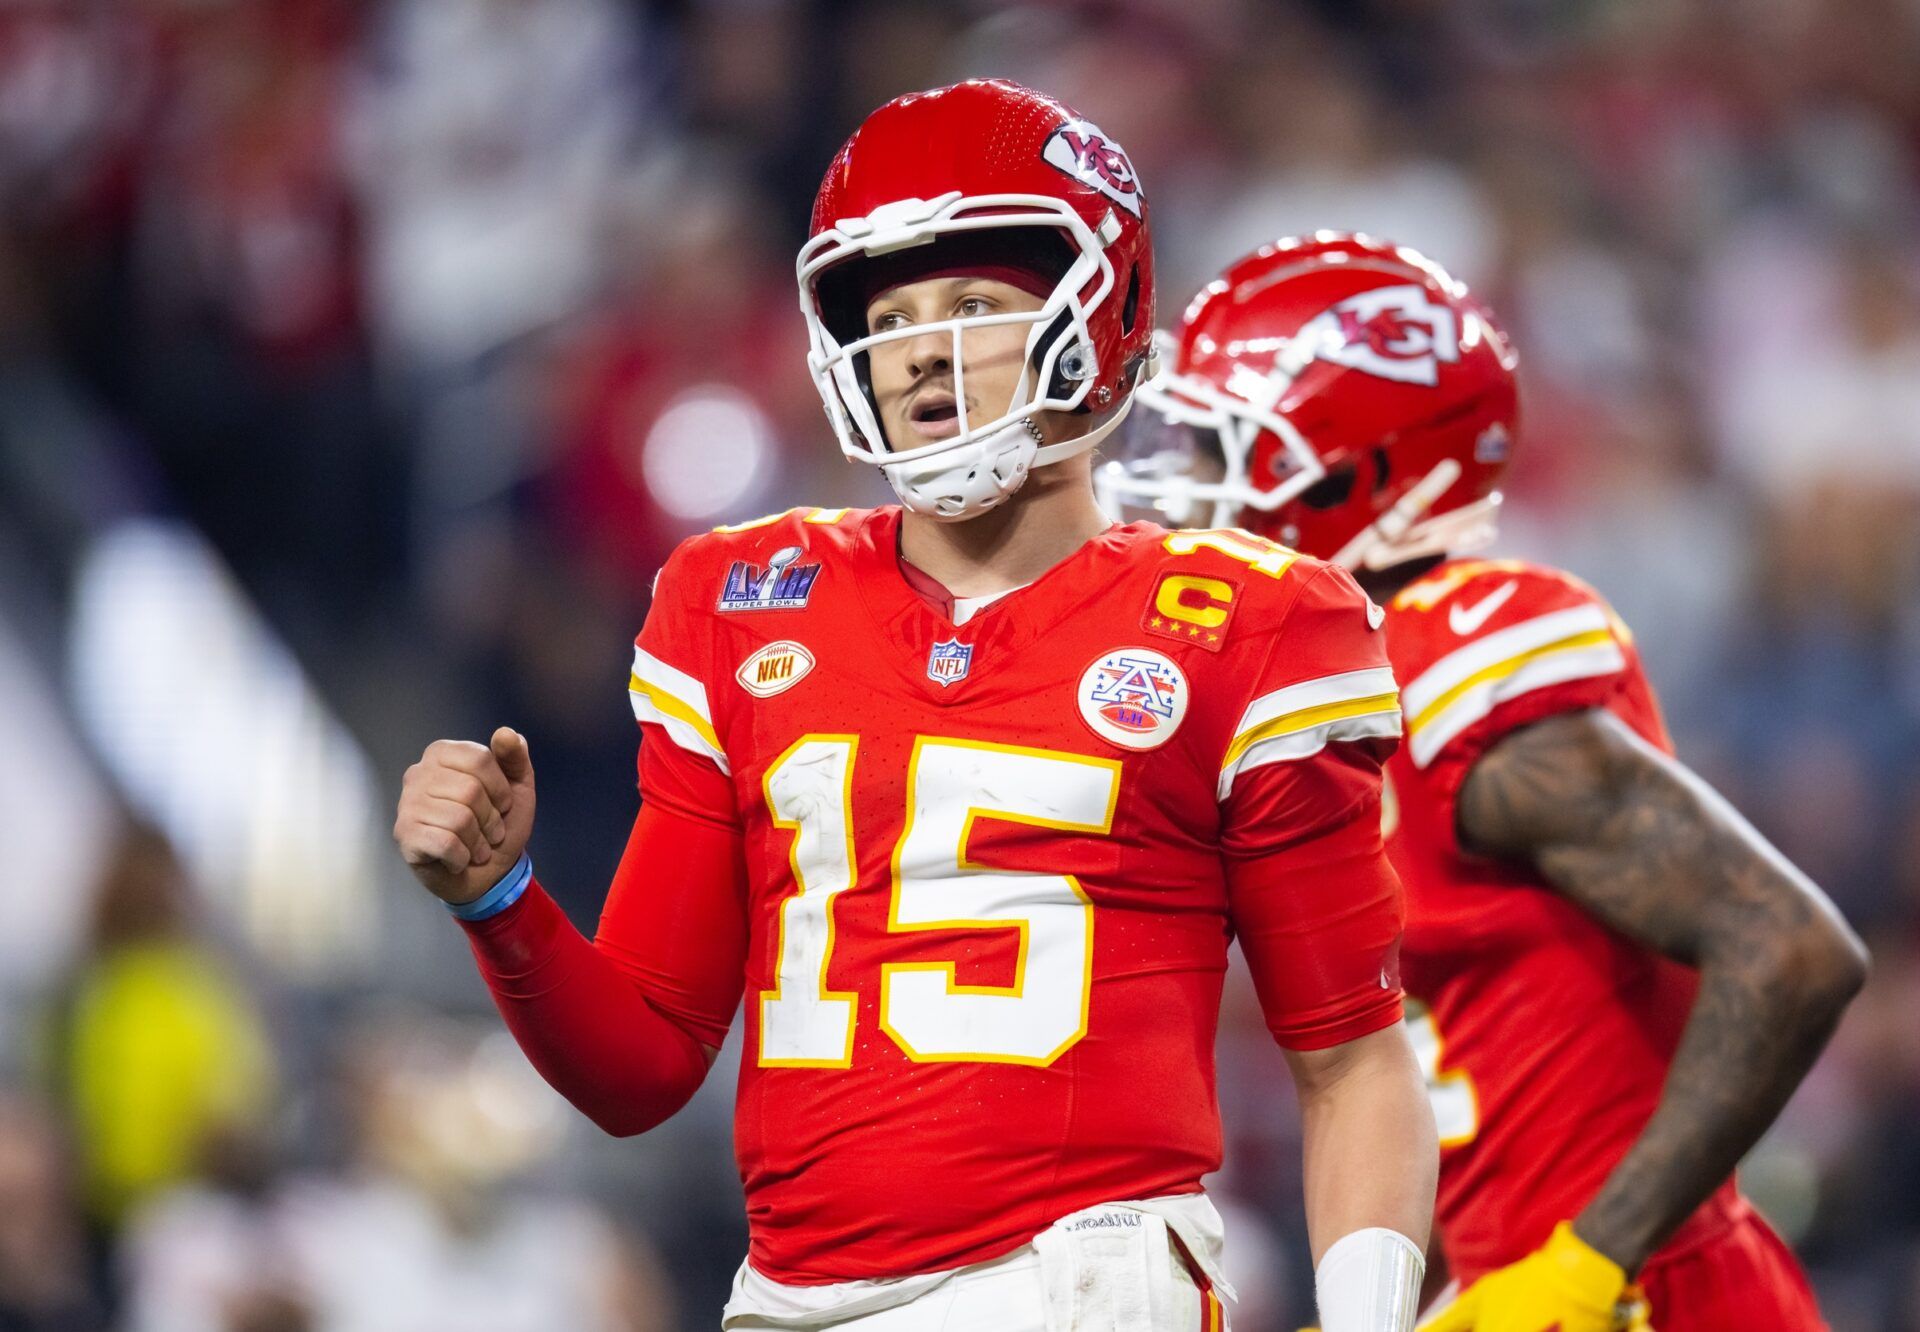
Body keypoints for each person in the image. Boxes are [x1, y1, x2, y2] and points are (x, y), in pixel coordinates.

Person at [394, 82, 1438, 1331]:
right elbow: (645, 1060)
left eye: (975, 307)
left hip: (1078, 1281)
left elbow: (1352, 1055)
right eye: (887, 317)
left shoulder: (1246, 621)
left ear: (1096, 313)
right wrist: (499, 901)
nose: (919, 354)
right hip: (787, 1295)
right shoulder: (738, 599)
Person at [1102, 232, 1868, 1332]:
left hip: (1655, 1299)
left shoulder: (1460, 665)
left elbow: (1791, 949)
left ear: (1365, 477)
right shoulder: (1334, 686)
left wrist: (1585, 1264)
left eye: (1226, 455)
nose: (1179, 498)